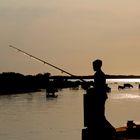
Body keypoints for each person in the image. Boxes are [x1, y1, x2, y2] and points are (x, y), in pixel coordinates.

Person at [84, 59, 116, 140]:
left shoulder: (98, 75)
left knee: (100, 116)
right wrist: (92, 87)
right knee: (100, 115)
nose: (93, 67)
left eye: (94, 66)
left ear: (98, 66)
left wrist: (90, 88)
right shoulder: (100, 74)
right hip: (101, 96)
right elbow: (98, 87)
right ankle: (109, 130)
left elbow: (98, 88)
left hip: (100, 97)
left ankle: (112, 130)